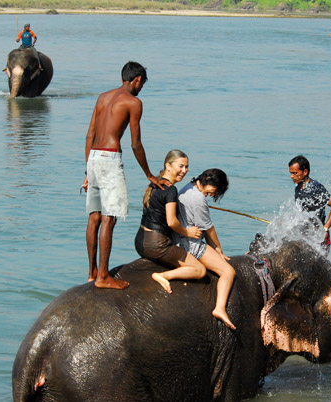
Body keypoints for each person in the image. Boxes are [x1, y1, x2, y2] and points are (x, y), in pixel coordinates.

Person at [83, 61, 165, 289]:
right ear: (137, 79)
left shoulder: (102, 97)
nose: (141, 88)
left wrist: (87, 171)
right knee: (109, 218)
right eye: (142, 84)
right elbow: (136, 144)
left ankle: (91, 273)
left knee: (94, 217)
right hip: (110, 159)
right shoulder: (133, 102)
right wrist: (149, 174)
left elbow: (90, 134)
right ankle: (103, 277)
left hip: (94, 157)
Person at [135, 151, 236, 330]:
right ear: (168, 165)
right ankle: (220, 308)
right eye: (180, 166)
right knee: (227, 271)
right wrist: (216, 248)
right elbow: (200, 227)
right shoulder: (176, 191)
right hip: (170, 241)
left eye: (186, 166)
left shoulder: (171, 186)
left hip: (142, 239)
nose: (184, 170)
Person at [174, 168, 236, 330]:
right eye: (214, 190)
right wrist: (219, 250)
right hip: (189, 243)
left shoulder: (189, 187)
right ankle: (220, 308)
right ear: (208, 179)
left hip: (179, 238)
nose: (213, 194)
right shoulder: (198, 199)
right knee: (228, 272)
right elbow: (209, 229)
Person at [288, 155, 331, 256]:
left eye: (295, 173)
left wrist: (325, 228)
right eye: (290, 173)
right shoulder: (298, 188)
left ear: (305, 172)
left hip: (318, 238)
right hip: (305, 236)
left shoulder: (315, 187)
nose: (291, 176)